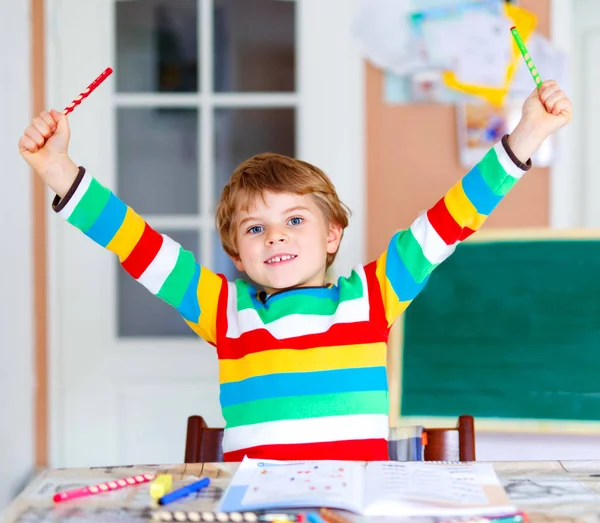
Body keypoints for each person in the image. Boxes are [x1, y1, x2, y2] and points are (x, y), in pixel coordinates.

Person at [18, 80, 572, 462]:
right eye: (254, 228)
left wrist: (527, 136)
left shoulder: (372, 297)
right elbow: (135, 241)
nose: (275, 235)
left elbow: (451, 219)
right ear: (237, 254)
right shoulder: (222, 309)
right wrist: (58, 169)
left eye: (295, 219)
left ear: (332, 235)